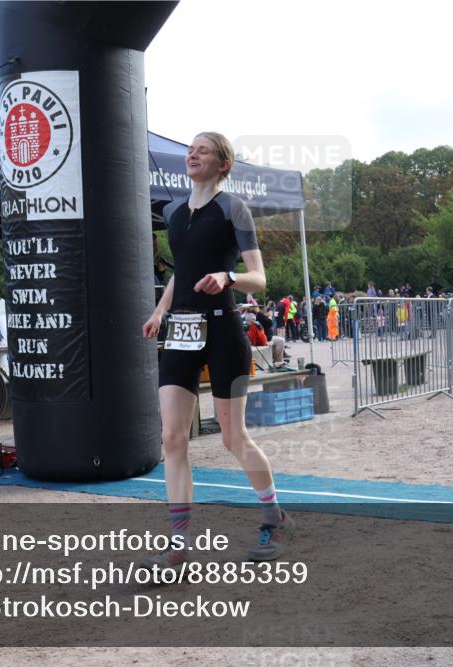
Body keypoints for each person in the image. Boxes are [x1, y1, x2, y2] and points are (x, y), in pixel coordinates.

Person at [141, 131, 294, 568]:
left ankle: (274, 516)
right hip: (181, 333)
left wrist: (228, 278)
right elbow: (183, 272)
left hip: (224, 332)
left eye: (202, 150)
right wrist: (159, 311)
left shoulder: (233, 208)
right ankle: (178, 545)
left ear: (222, 164)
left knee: (233, 437)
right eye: (190, 149)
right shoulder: (171, 211)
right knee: (172, 438)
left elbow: (259, 277)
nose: (192, 154)